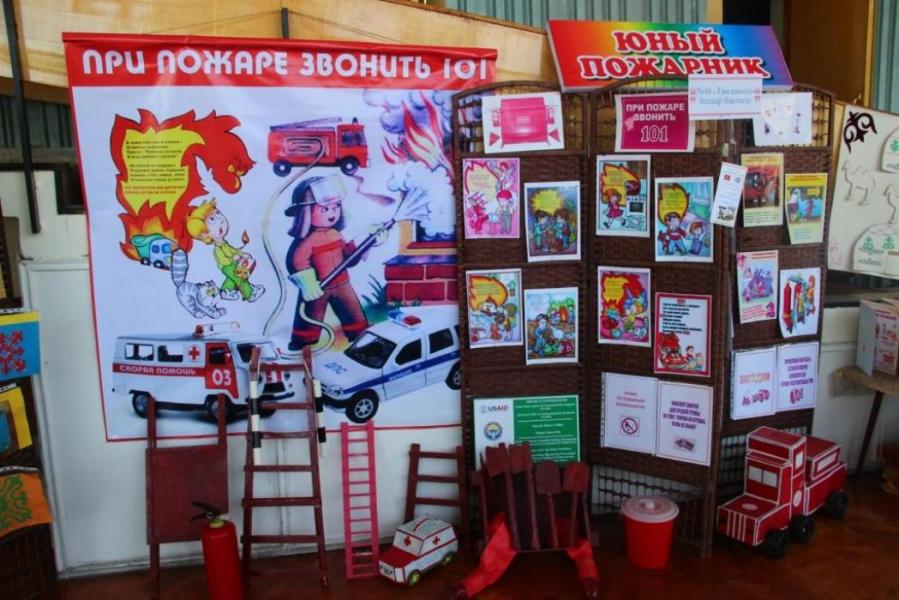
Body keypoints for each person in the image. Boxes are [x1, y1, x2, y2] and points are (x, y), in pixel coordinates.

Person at [285, 175, 384, 351]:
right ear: (306, 212)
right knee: (309, 316)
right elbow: (297, 261)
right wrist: (307, 282)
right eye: (325, 209)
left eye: (336, 206)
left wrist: (366, 241)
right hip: (318, 287)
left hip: (342, 283)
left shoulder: (336, 234)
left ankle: (359, 334)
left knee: (353, 311)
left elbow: (348, 259)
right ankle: (303, 341)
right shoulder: (306, 241)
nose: (332, 213)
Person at [186, 199, 264, 302]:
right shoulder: (217, 249)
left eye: (218, 213)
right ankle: (249, 294)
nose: (221, 220)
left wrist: (241, 254)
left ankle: (226, 291)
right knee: (240, 278)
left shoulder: (224, 243)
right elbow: (224, 261)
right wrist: (234, 258)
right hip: (227, 267)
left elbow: (233, 251)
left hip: (232, 264)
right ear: (204, 235)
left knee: (232, 279)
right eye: (212, 219)